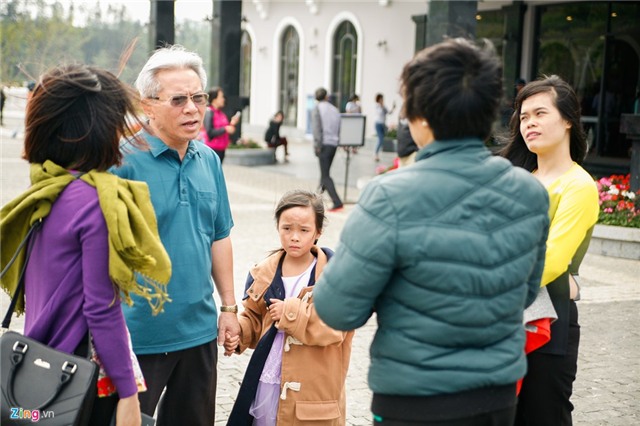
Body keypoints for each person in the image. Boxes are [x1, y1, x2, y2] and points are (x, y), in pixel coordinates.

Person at [314, 38, 551, 426]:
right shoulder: (529, 192)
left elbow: (338, 310)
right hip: (498, 396)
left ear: (419, 117)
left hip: (414, 400)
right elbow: (524, 292)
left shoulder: (389, 195)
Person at [0, 64, 173, 426]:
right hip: (76, 377)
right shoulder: (96, 203)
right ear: (96, 132)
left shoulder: (47, 190)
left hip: (36, 370)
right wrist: (128, 393)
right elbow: (101, 309)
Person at [111, 45, 240, 426]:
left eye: (198, 97)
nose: (192, 109)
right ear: (147, 104)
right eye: (179, 99)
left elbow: (219, 235)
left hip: (199, 333)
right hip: (137, 337)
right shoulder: (120, 162)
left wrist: (229, 308)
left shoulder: (209, 160)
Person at [500, 75, 599, 426]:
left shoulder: (579, 186)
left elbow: (551, 261)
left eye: (540, 113)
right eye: (524, 116)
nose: (529, 123)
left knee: (543, 416)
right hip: (499, 319)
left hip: (548, 319)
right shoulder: (513, 177)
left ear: (568, 119)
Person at [226, 189, 354, 425]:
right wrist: (239, 332)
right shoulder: (263, 272)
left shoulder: (335, 275)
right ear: (278, 228)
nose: (294, 237)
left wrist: (290, 313)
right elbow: (255, 319)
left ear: (318, 232)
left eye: (304, 230)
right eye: (287, 228)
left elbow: (336, 327)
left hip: (313, 392)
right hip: (268, 379)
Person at [312, 87, 343, 212]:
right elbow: (339, 127)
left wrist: (317, 146)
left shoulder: (317, 109)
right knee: (325, 172)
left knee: (325, 175)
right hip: (333, 144)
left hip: (323, 144)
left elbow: (316, 128)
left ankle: (337, 201)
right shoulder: (335, 109)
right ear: (326, 97)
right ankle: (315, 199)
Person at [202, 86, 240, 163]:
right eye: (221, 97)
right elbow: (209, 132)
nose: (223, 99)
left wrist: (232, 124)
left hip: (221, 149)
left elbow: (225, 128)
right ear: (214, 99)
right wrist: (225, 129)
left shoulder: (221, 113)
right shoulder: (209, 112)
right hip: (212, 150)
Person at [373, 93, 395, 161]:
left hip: (383, 124)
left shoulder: (383, 106)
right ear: (378, 99)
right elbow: (379, 113)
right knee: (380, 139)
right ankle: (375, 154)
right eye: (381, 98)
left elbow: (389, 113)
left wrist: (393, 108)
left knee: (381, 139)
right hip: (378, 124)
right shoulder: (377, 106)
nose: (382, 100)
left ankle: (377, 153)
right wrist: (382, 106)